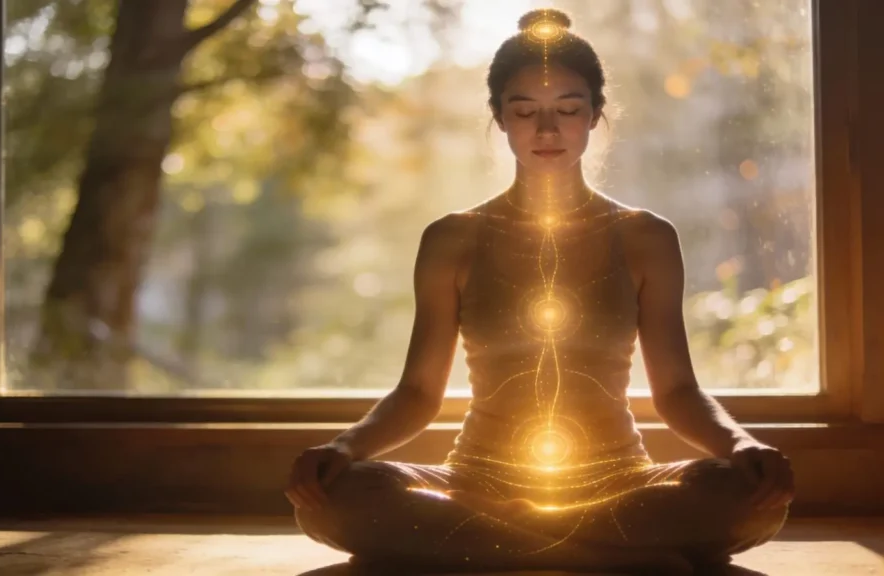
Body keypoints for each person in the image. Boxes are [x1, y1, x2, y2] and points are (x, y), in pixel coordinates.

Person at [285, 8, 794, 574]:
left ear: (597, 115)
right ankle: (600, 554)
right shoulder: (452, 239)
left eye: (568, 110)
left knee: (746, 498)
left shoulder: (645, 237)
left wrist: (743, 447)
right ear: (499, 118)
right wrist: (343, 448)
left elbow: (676, 391)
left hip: (619, 483)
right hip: (476, 483)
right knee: (337, 499)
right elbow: (419, 394)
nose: (546, 130)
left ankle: (507, 543)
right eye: (525, 111)